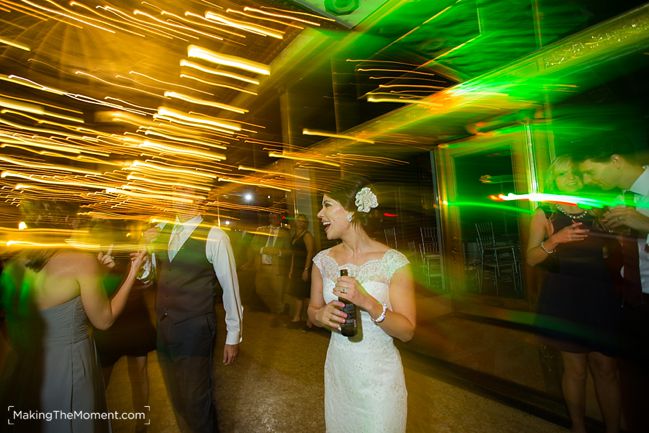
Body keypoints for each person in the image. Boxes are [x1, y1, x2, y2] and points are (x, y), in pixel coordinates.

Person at [0, 200, 145, 433]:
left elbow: (10, 326)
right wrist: (132, 272)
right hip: (69, 365)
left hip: (24, 367)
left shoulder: (11, 267)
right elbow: (104, 319)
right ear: (65, 221)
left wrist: (100, 271)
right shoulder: (80, 261)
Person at [307, 177, 416, 433]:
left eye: (327, 205)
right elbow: (312, 311)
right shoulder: (322, 261)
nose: (320, 213)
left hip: (380, 378)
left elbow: (407, 331)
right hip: (340, 373)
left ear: (351, 210)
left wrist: (366, 301)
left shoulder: (393, 262)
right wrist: (320, 314)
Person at [526, 156, 621, 433]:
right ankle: (578, 427)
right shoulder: (544, 212)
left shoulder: (597, 210)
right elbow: (531, 258)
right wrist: (555, 240)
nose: (571, 178)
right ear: (553, 179)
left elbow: (613, 249)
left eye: (575, 173)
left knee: (607, 368)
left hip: (600, 294)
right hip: (565, 295)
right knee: (576, 370)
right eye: (563, 174)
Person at [149, 192, 243, 433]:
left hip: (195, 326)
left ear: (200, 199)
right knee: (176, 394)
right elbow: (149, 275)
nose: (176, 196)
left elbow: (230, 288)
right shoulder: (161, 230)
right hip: (164, 325)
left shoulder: (215, 236)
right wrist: (144, 251)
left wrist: (233, 336)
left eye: (185, 191)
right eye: (174, 190)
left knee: (196, 397)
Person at [576, 147, 649, 433]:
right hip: (631, 301)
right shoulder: (620, 199)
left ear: (616, 160)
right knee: (635, 387)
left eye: (589, 171)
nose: (588, 179)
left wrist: (646, 225)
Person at [93, 220, 156, 433]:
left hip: (134, 318)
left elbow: (145, 279)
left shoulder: (130, 247)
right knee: (102, 379)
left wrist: (142, 262)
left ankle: (142, 423)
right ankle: (96, 422)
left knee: (139, 373)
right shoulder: (92, 253)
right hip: (109, 320)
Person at [252, 212, 291, 315]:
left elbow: (289, 251)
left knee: (278, 292)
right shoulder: (261, 230)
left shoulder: (285, 233)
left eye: (276, 217)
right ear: (269, 218)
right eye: (271, 217)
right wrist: (263, 249)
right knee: (260, 289)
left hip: (276, 267)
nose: (274, 219)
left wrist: (278, 252)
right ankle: (279, 308)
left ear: (280, 219)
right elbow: (252, 246)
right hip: (262, 266)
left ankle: (278, 313)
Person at [287, 213, 316, 328]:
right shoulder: (295, 235)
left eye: (303, 221)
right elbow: (294, 254)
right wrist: (291, 269)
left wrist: (306, 269)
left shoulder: (307, 235)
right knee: (298, 294)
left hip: (304, 267)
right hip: (296, 268)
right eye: (299, 221)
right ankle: (299, 317)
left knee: (305, 295)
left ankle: (309, 320)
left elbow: (310, 252)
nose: (301, 223)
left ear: (306, 224)